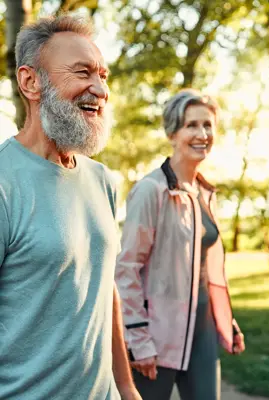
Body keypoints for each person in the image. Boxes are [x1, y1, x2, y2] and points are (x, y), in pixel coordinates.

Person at [0, 15, 141, 400]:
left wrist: (126, 387)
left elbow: (103, 285)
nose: (99, 89)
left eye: (103, 75)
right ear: (30, 82)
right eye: (82, 73)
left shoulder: (103, 181)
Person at [115, 89, 245, 400]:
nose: (202, 134)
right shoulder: (151, 191)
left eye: (208, 125)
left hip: (203, 335)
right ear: (173, 133)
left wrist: (226, 320)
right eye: (192, 125)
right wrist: (138, 339)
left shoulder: (204, 192)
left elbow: (202, 269)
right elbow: (127, 269)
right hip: (157, 339)